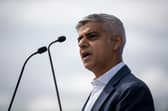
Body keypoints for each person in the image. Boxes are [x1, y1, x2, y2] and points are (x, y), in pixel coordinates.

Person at [75, 13, 155, 111]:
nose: (81, 44)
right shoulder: (97, 90)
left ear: (116, 42)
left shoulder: (133, 90)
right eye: (79, 39)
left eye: (92, 36)